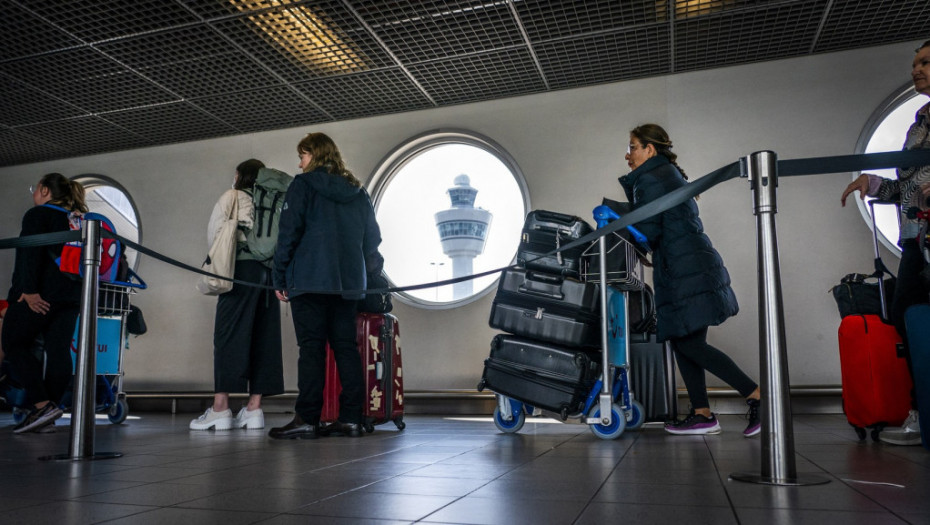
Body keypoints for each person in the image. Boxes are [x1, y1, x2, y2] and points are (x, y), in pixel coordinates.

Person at [618, 124, 761, 436]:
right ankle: (702, 414)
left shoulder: (650, 178)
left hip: (684, 270)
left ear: (649, 150)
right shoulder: (666, 174)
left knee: (689, 344)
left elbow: (650, 229)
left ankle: (756, 396)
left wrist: (617, 223)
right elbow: (659, 228)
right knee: (686, 342)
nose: (627, 155)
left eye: (632, 147)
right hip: (689, 265)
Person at [840, 39, 930, 446]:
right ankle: (920, 410)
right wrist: (874, 182)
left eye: (926, 62)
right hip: (916, 238)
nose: (917, 70)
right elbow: (910, 189)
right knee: (906, 317)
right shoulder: (920, 121)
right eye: (915, 63)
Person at [268, 132, 383, 440]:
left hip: (309, 280)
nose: (299, 162)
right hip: (348, 284)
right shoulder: (357, 191)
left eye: (303, 155)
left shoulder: (302, 185)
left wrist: (278, 278)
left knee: (311, 350)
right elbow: (373, 239)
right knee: (346, 348)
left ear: (315, 155)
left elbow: (288, 234)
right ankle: (350, 419)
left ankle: (307, 419)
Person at [190, 159, 286, 431]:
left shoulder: (232, 196)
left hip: (240, 270)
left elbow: (215, 237)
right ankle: (254, 409)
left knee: (229, 335)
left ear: (239, 176)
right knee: (264, 337)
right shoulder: (270, 202)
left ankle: (220, 409)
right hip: (268, 274)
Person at [2, 173, 86, 433]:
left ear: (46, 191)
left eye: (35, 189)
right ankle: (47, 410)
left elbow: (29, 252)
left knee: (13, 343)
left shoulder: (37, 215)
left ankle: (42, 405)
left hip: (39, 295)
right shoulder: (77, 220)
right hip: (71, 295)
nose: (33, 194)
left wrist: (28, 290)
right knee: (58, 350)